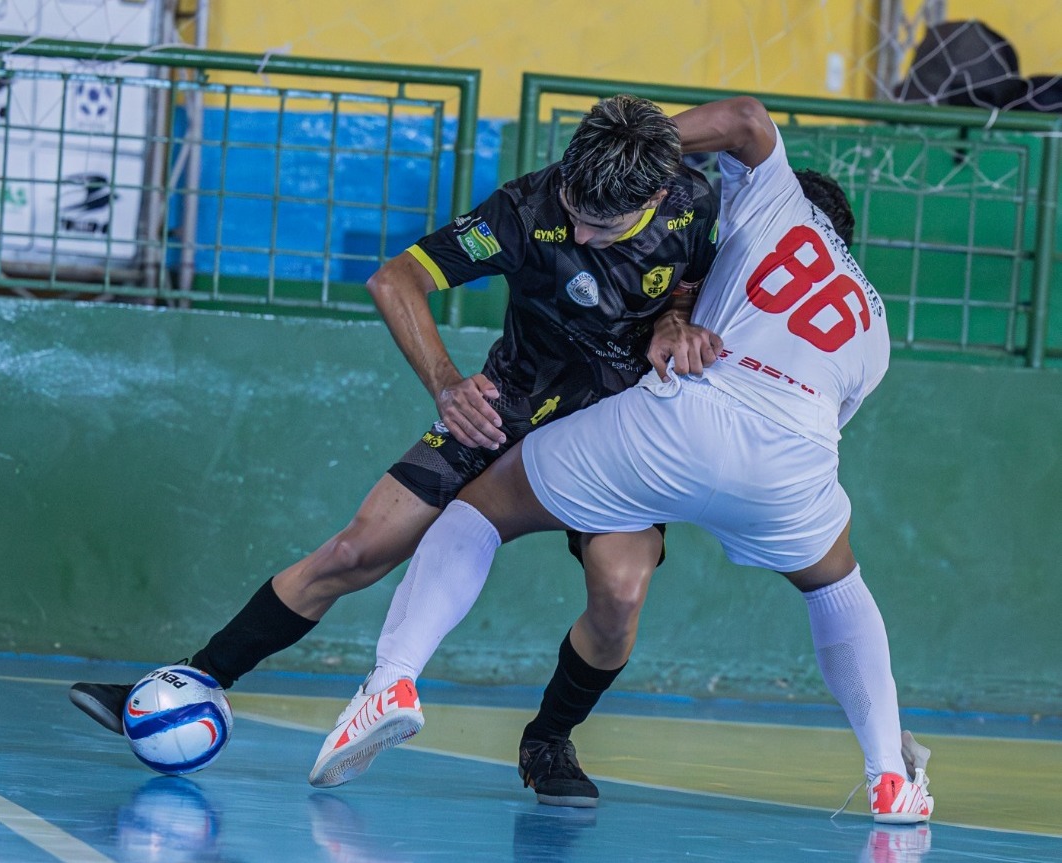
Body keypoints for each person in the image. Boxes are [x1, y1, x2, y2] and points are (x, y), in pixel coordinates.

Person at [69, 95, 722, 808]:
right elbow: (396, 279)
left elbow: (695, 284)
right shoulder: (524, 210)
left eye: (603, 226)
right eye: (575, 210)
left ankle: (548, 738)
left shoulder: (694, 202)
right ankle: (195, 680)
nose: (582, 233)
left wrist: (676, 318)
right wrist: (446, 384)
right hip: (504, 408)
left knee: (620, 594)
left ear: (654, 197)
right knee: (355, 550)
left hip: (620, 431)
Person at [309, 95, 935, 825]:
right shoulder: (874, 322)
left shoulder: (772, 198)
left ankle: (392, 680)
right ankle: (890, 776)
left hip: (686, 416)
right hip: (794, 460)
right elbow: (829, 418)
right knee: (836, 587)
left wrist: (638, 145)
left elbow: (744, 117)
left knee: (481, 508)